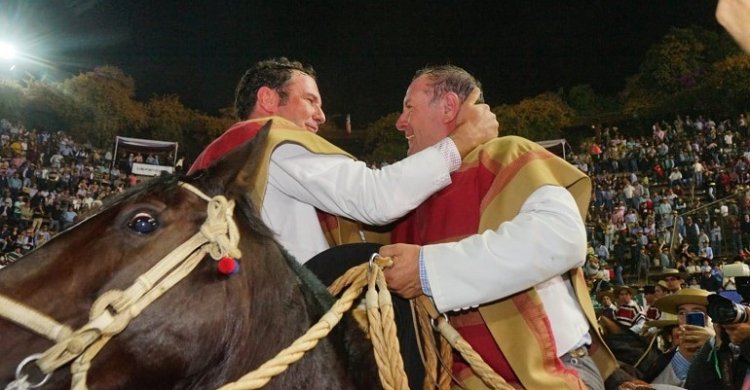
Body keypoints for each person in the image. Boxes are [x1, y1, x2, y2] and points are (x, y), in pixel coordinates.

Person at [379, 65, 617, 389]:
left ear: (448, 107)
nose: (399, 122)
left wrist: (426, 269)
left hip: (552, 374)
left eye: (409, 107)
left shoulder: (506, 152)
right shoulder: (407, 198)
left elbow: (561, 238)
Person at [188, 57, 497, 263]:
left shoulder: (224, 155)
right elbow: (376, 198)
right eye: (310, 100)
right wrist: (464, 139)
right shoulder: (271, 140)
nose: (321, 116)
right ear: (268, 99)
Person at [649, 288, 714, 387]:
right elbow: (655, 387)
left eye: (696, 312)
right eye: (682, 313)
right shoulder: (667, 357)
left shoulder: (729, 348)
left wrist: (713, 343)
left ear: (711, 318)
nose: (686, 319)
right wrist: (684, 357)